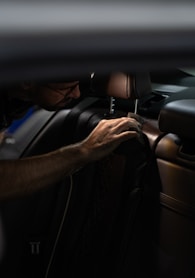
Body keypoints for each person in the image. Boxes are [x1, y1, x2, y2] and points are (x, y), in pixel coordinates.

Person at [0, 79, 141, 200]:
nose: (76, 94)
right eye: (67, 88)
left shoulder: (18, 97)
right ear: (27, 82)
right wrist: (84, 151)